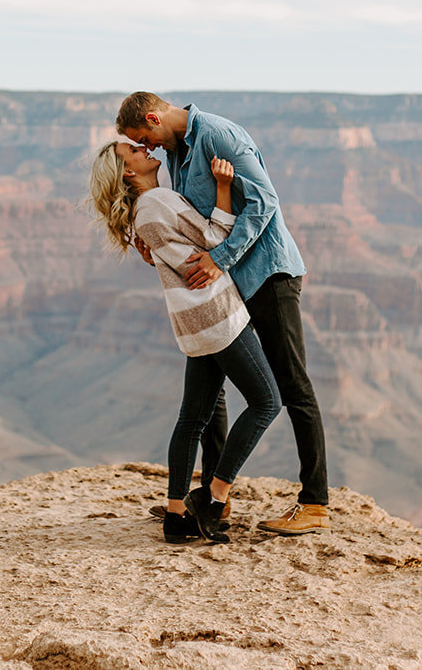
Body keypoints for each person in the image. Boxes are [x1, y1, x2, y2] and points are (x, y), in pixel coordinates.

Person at [117, 93, 330, 535]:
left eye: (144, 138)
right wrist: (156, 247)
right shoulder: (177, 152)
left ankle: (315, 503)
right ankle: (216, 504)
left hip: (266, 275)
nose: (149, 148)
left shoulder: (218, 135)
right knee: (213, 393)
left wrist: (222, 259)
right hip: (227, 287)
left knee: (292, 385)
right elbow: (192, 223)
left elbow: (264, 203)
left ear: (154, 118)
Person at [89, 139, 280, 544]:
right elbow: (215, 239)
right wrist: (224, 187)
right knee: (267, 402)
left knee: (192, 419)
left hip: (191, 324)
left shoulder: (144, 211)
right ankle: (214, 497)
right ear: (128, 172)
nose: (144, 150)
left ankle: (176, 515)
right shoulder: (158, 201)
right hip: (217, 315)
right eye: (134, 152)